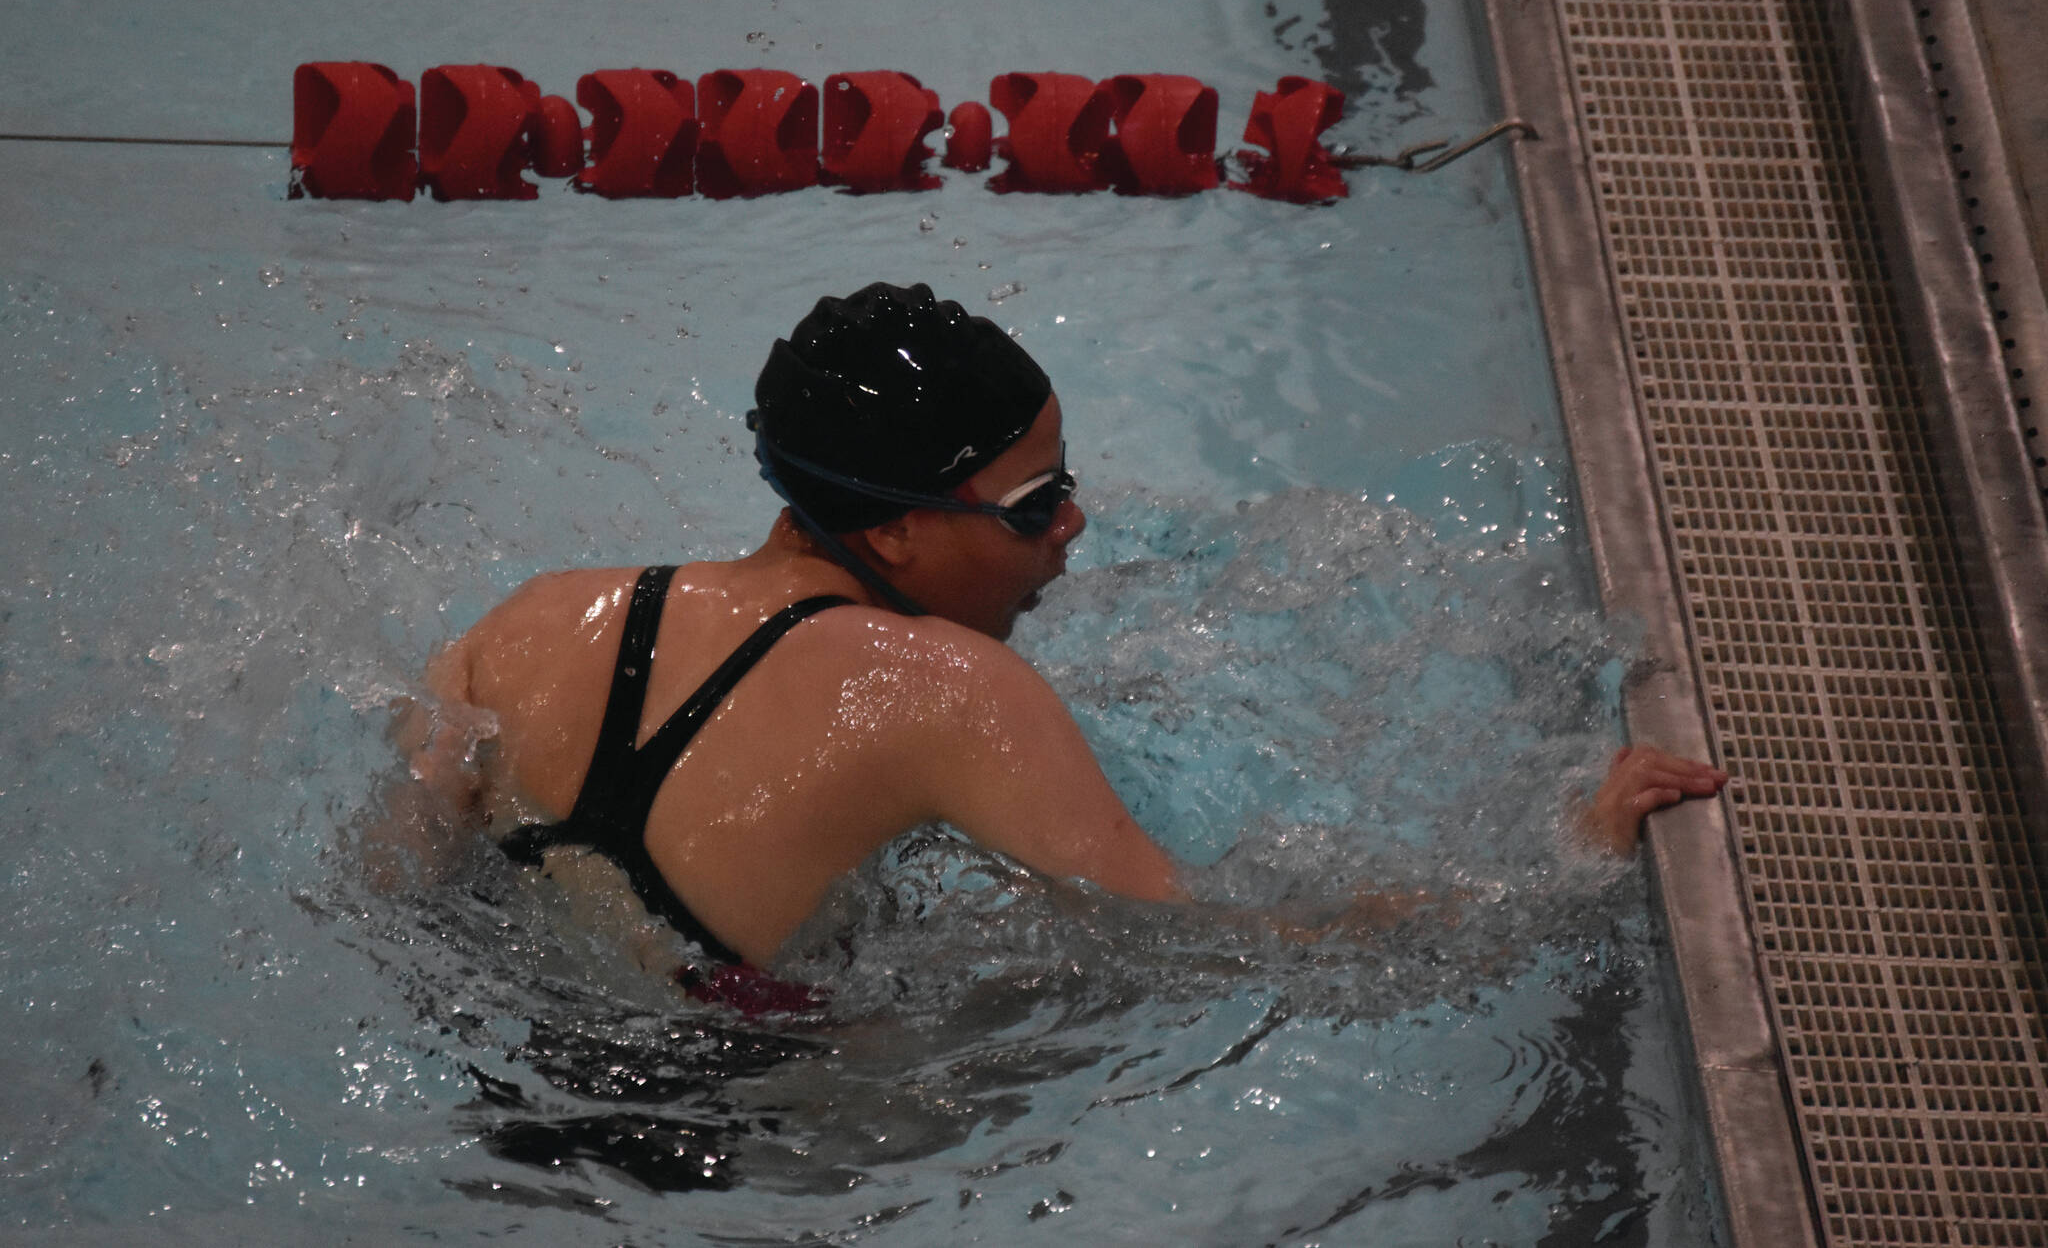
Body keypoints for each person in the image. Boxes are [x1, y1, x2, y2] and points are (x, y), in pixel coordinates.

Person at [385, 282, 1725, 1008]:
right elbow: (1229, 943)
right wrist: (1563, 860)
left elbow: (392, 880)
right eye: (1035, 505)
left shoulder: (533, 619)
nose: (1076, 526)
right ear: (900, 535)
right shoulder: (961, 693)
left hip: (506, 1066)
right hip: (741, 1133)